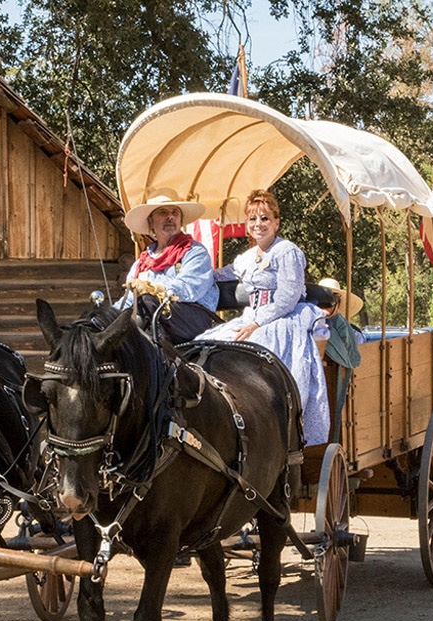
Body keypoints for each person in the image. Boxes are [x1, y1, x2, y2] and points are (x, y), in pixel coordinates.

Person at [196, 189, 331, 445]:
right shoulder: (248, 257)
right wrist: (191, 272)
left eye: (265, 218)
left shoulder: (286, 252)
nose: (259, 225)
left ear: (276, 222)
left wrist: (257, 322)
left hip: (284, 317)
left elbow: (288, 296)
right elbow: (219, 275)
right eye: (253, 219)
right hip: (252, 315)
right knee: (209, 342)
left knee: (259, 346)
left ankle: (273, 411)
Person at [115, 188, 221, 343]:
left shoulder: (194, 252)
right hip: (154, 317)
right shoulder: (142, 262)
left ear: (180, 220)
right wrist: (105, 316)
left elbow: (190, 287)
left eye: (175, 213)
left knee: (147, 302)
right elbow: (129, 300)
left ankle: (158, 360)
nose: (170, 216)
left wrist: (153, 289)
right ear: (151, 222)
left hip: (193, 319)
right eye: (163, 212)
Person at [316, 278, 364, 445]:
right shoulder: (310, 324)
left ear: (338, 304)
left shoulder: (352, 333)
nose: (324, 307)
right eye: (320, 301)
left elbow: (354, 357)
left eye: (329, 302)